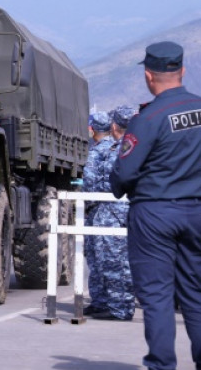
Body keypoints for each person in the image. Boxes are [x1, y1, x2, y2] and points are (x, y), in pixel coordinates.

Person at [110, 42, 201, 370]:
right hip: (194, 212)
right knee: (197, 292)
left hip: (154, 213)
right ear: (182, 71)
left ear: (148, 76)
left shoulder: (149, 117)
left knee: (158, 297)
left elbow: (125, 172)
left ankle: (161, 366)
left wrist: (119, 184)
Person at [87, 105, 137, 321]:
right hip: (131, 212)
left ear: (114, 125)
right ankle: (119, 306)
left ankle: (119, 309)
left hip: (111, 212)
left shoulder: (114, 150)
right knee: (120, 261)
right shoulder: (137, 147)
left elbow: (97, 184)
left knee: (112, 261)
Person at [82, 110, 114, 316]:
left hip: (99, 210)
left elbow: (90, 183)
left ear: (91, 129)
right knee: (108, 256)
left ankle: (105, 302)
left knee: (98, 256)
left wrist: (86, 203)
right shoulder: (116, 148)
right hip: (113, 208)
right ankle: (104, 302)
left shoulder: (96, 152)